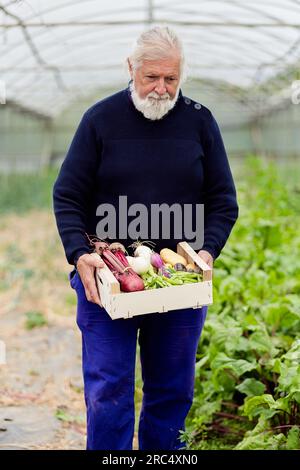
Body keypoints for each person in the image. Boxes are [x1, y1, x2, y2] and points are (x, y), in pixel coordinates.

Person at [53, 26, 238, 450]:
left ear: (181, 76)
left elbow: (223, 200)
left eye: (170, 79)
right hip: (108, 277)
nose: (160, 89)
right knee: (107, 391)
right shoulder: (100, 120)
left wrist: (206, 252)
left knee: (172, 391)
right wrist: (80, 254)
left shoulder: (199, 121)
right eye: (150, 77)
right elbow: (67, 194)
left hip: (176, 278)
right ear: (130, 68)